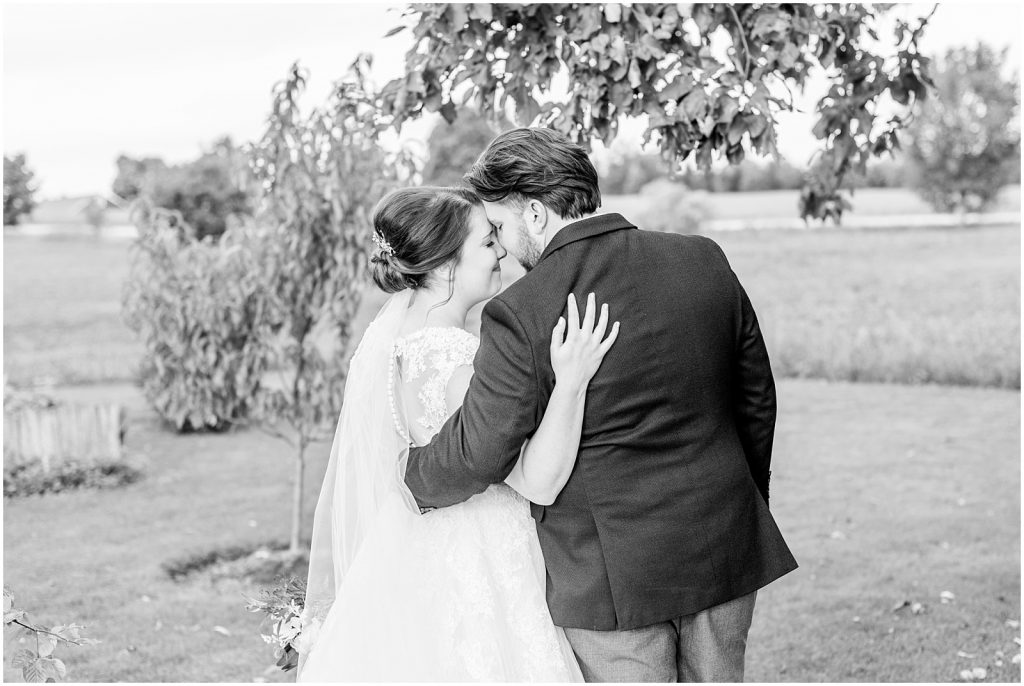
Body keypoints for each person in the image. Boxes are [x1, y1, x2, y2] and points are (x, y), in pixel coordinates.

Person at [403, 128, 799, 682]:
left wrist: (409, 475)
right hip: (724, 539)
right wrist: (744, 497)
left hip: (610, 574)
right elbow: (756, 399)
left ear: (535, 213)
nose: (501, 243)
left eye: (499, 225)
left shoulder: (522, 311)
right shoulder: (702, 260)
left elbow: (482, 448)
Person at [297, 185, 617, 681]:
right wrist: (572, 379)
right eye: (488, 242)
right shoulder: (453, 357)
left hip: (417, 546)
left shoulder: (396, 347)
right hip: (480, 556)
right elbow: (536, 480)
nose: (501, 252)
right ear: (447, 265)